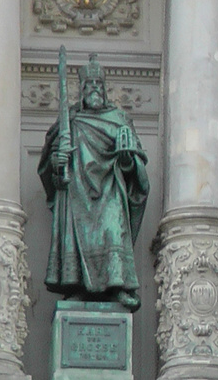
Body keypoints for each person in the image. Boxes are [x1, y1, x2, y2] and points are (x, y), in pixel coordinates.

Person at [39, 55, 150, 309]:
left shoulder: (119, 119)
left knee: (113, 229)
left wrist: (127, 160)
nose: (95, 89)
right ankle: (77, 284)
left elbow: (137, 170)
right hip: (77, 193)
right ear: (82, 90)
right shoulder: (71, 120)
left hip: (110, 190)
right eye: (89, 85)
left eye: (99, 84)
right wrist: (57, 163)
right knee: (76, 238)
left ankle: (117, 285)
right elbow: (49, 166)